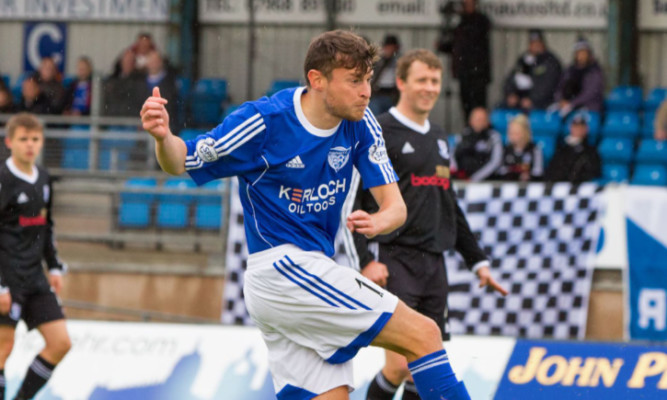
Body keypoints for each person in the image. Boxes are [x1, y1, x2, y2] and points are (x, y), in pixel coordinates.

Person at [141, 30, 472, 400]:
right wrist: (162, 137)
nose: (366, 91)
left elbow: (396, 208)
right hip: (280, 271)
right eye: (354, 81)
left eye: (367, 80)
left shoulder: (362, 123)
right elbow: (181, 161)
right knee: (424, 334)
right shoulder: (264, 121)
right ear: (317, 80)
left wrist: (379, 221)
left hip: (309, 273)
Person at [343, 49, 507, 400]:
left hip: (434, 264)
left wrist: (477, 260)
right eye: (422, 80)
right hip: (393, 258)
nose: (430, 88)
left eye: (435, 81)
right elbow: (352, 199)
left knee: (424, 369)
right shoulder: (379, 129)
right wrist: (365, 260)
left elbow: (449, 205)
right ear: (401, 82)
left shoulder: (440, 138)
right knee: (401, 364)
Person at [0, 113, 71, 400]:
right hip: (8, 278)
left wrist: (54, 267)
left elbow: (46, 224)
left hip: (34, 277)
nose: (30, 145)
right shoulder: (3, 180)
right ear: (9, 142)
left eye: (35, 139)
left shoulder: (43, 178)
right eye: (23, 139)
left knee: (60, 343)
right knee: (3, 349)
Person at [439, 0, 491, 119]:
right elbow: (454, 45)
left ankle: (480, 129)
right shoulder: (459, 22)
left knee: (479, 105)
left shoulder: (481, 20)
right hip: (464, 72)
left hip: (478, 73)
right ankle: (469, 128)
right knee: (465, 104)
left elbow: (471, 41)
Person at [502, 29, 561, 111]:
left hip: (542, 103)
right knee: (499, 111)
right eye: (532, 43)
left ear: (543, 44)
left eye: (538, 42)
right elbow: (511, 79)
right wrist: (511, 94)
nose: (535, 46)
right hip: (520, 101)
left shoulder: (550, 61)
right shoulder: (523, 59)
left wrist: (533, 99)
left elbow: (548, 86)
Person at [553, 37, 604, 115]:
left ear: (589, 53)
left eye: (584, 52)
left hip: (589, 108)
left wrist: (572, 103)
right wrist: (561, 100)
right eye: (579, 52)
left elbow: (589, 94)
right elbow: (559, 88)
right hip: (568, 106)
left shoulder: (595, 71)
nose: (581, 55)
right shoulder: (570, 70)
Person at [544, 114, 601, 183]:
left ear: (586, 129)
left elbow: (593, 171)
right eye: (576, 127)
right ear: (571, 128)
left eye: (581, 127)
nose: (578, 130)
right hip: (561, 187)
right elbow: (553, 169)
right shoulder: (562, 149)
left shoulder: (591, 151)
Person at [452, 107, 503, 181]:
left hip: (486, 182)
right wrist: (458, 174)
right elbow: (453, 156)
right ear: (470, 120)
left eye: (482, 119)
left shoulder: (493, 137)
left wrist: (474, 178)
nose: (479, 122)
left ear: (487, 121)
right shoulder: (463, 135)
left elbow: (495, 162)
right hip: (463, 181)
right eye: (477, 119)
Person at [496, 114, 544, 181]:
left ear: (525, 132)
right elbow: (500, 172)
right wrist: (516, 175)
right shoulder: (505, 150)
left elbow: (538, 173)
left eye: (516, 133)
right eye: (511, 132)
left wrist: (527, 176)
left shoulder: (534, 149)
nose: (512, 136)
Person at [141, 50, 179, 132]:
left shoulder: (171, 82)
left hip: (165, 124)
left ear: (161, 62)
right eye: (151, 60)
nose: (153, 64)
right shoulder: (139, 81)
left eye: (156, 61)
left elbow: (172, 106)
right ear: (147, 64)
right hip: (142, 125)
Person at [370, 34, 401, 116]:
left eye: (391, 48)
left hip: (391, 95)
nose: (388, 50)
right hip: (377, 93)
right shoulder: (379, 60)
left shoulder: (398, 61)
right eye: (387, 47)